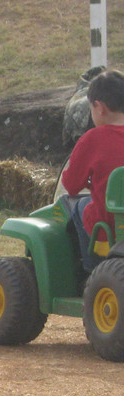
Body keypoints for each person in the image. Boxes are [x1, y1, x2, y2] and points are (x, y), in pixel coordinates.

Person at [61, 68, 124, 272]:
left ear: (99, 107)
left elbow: (71, 186)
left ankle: (92, 269)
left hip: (112, 229)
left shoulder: (93, 139)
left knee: (80, 207)